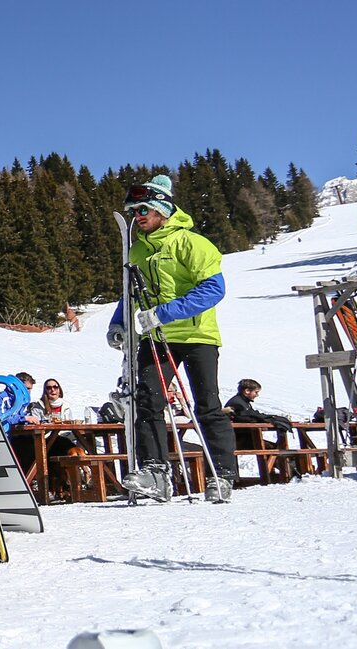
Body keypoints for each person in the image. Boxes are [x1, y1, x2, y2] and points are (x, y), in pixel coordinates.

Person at [107, 174, 239, 503]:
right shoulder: (137, 250)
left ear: (162, 210)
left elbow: (213, 289)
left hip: (197, 334)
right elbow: (129, 294)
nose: (138, 216)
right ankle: (155, 472)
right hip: (156, 337)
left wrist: (164, 312)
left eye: (144, 209)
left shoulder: (191, 243)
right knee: (146, 401)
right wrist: (117, 323)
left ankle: (221, 474)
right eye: (134, 210)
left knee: (206, 404)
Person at [226, 378, 297, 448]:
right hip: (238, 440)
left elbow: (253, 415)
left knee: (276, 448)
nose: (257, 395)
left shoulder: (243, 402)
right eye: (256, 392)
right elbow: (248, 418)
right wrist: (269, 420)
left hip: (245, 437)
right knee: (274, 450)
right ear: (247, 391)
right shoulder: (238, 403)